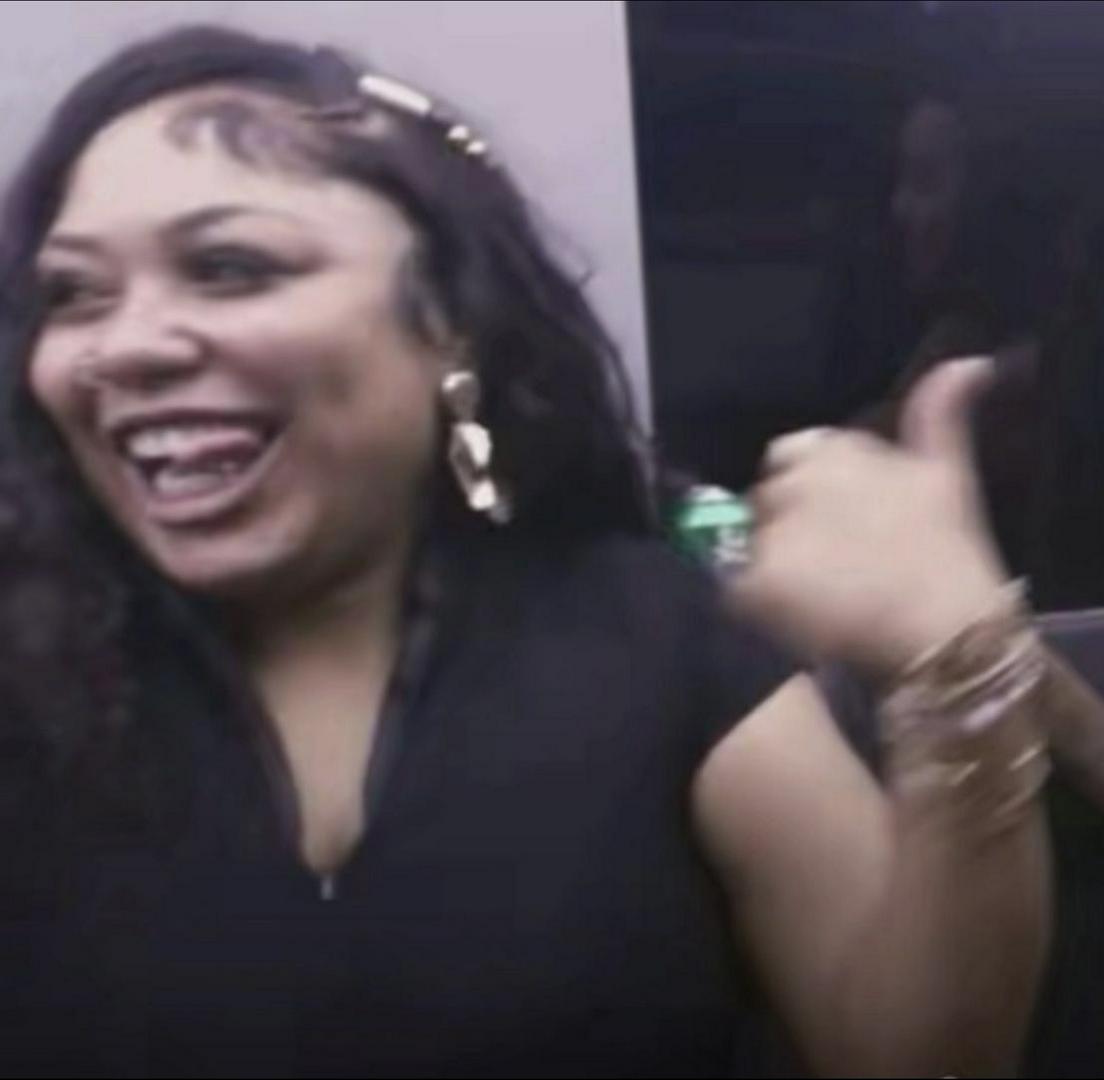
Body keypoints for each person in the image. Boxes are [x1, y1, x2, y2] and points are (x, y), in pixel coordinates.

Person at [0, 25, 1053, 1078]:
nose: (125, 346)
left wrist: (959, 673)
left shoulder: (654, 637)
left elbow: (918, 1056)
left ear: (448, 323)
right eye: (75, 293)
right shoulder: (23, 681)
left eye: (229, 267)